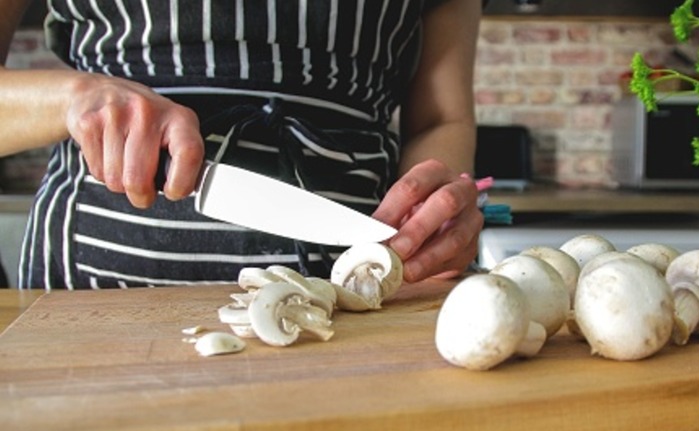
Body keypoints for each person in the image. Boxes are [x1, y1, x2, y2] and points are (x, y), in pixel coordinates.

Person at [0, 0, 484, 290]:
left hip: (357, 291)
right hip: (89, 289)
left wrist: (428, 222)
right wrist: (76, 98)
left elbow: (442, 117)